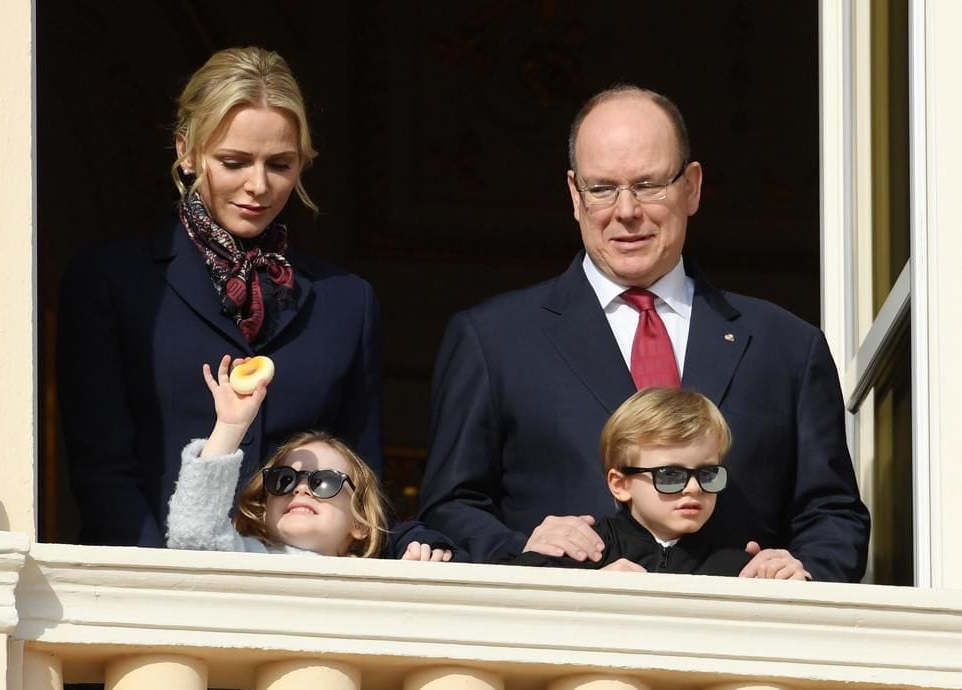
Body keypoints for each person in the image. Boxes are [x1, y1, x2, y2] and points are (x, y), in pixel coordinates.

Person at [417, 85, 870, 582]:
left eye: (649, 184)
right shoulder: (493, 339)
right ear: (574, 194)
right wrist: (527, 551)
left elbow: (832, 514)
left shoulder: (786, 345)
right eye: (603, 188)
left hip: (738, 644)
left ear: (692, 187)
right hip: (561, 642)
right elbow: (450, 508)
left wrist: (802, 574)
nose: (626, 210)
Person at [57, 47, 382, 547]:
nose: (258, 185)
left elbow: (362, 477)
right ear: (186, 151)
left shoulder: (347, 302)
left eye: (280, 164)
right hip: (143, 593)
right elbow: (102, 469)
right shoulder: (110, 280)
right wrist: (163, 585)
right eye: (233, 162)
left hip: (296, 601)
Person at [167, 356, 451, 560]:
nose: (300, 488)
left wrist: (412, 574)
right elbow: (193, 536)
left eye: (325, 482)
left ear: (360, 523)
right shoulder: (249, 557)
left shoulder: (371, 580)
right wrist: (230, 427)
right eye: (283, 480)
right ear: (265, 510)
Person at [507, 388, 806, 579]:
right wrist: (589, 591)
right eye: (670, 475)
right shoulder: (587, 548)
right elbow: (504, 597)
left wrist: (789, 578)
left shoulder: (737, 564)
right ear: (620, 484)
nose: (693, 488)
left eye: (707, 474)